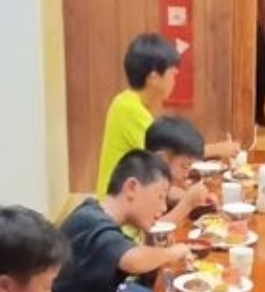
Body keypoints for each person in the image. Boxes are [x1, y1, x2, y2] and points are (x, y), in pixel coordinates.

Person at [22, 150, 193, 292]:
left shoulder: (97, 215)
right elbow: (133, 261)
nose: (163, 208)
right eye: (160, 196)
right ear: (131, 188)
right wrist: (174, 252)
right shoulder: (90, 222)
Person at [94, 32, 238, 195]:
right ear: (154, 77)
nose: (174, 81)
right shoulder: (128, 109)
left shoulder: (129, 102)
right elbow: (171, 153)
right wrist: (219, 149)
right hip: (119, 203)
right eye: (173, 75)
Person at [144, 117, 216, 228]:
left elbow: (169, 195)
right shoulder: (142, 185)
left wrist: (198, 202)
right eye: (183, 167)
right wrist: (187, 203)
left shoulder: (159, 182)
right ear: (162, 158)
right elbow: (152, 231)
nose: (186, 174)